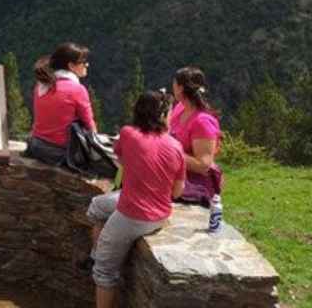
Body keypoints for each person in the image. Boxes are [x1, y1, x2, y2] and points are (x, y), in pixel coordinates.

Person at [87, 91, 186, 308]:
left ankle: (96, 260)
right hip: (159, 214)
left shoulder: (128, 133)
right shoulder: (176, 147)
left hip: (131, 214)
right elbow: (177, 191)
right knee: (98, 206)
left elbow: (122, 160)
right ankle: (96, 255)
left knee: (104, 272)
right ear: (162, 115)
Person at [23, 42, 97, 165]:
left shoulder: (42, 85)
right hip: (59, 153)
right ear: (71, 66)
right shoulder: (77, 90)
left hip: (36, 146)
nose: (87, 65)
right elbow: (90, 125)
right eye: (83, 62)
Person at [168, 66, 223, 206]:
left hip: (195, 183)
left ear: (180, 88)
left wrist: (169, 152)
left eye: (174, 84)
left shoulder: (202, 121)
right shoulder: (180, 108)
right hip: (177, 174)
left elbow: (203, 165)